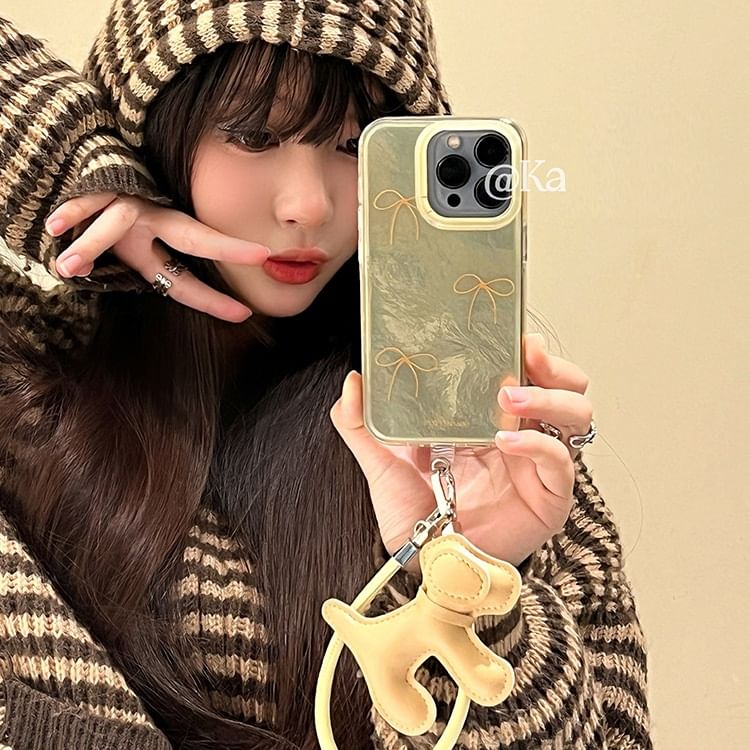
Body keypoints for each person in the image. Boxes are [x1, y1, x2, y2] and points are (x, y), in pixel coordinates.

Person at [0, 2, 652, 748]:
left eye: (353, 145)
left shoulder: (499, 454)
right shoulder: (27, 371)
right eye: (254, 135)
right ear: (154, 139)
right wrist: (74, 167)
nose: (309, 206)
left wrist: (462, 586)